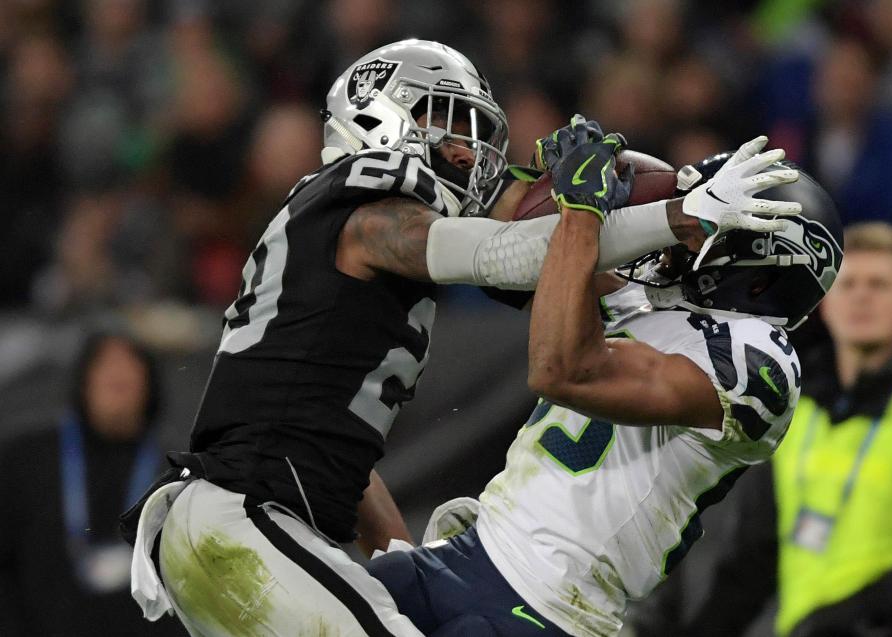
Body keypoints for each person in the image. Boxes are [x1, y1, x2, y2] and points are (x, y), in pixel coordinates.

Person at [122, 40, 798, 636]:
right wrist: (669, 215)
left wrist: (399, 555)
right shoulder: (366, 211)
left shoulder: (356, 266)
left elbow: (344, 456)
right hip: (244, 523)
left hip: (247, 528)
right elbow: (502, 255)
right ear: (375, 115)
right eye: (443, 122)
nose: (463, 148)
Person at [367, 137, 843, 636]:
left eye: (706, 231)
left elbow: (562, 369)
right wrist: (554, 174)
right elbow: (514, 243)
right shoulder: (650, 300)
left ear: (760, 277)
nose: (679, 241)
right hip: (470, 551)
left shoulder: (759, 360)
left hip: (546, 608)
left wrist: (582, 210)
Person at [675, 222, 892, 637]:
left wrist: (850, 616)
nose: (862, 296)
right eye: (848, 285)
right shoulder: (796, 408)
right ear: (825, 302)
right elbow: (756, 559)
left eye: (879, 284)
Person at [0, 332, 181, 637]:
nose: (118, 374)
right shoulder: (23, 460)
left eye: (130, 368)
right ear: (83, 382)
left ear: (149, 386)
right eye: (106, 366)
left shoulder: (176, 476)